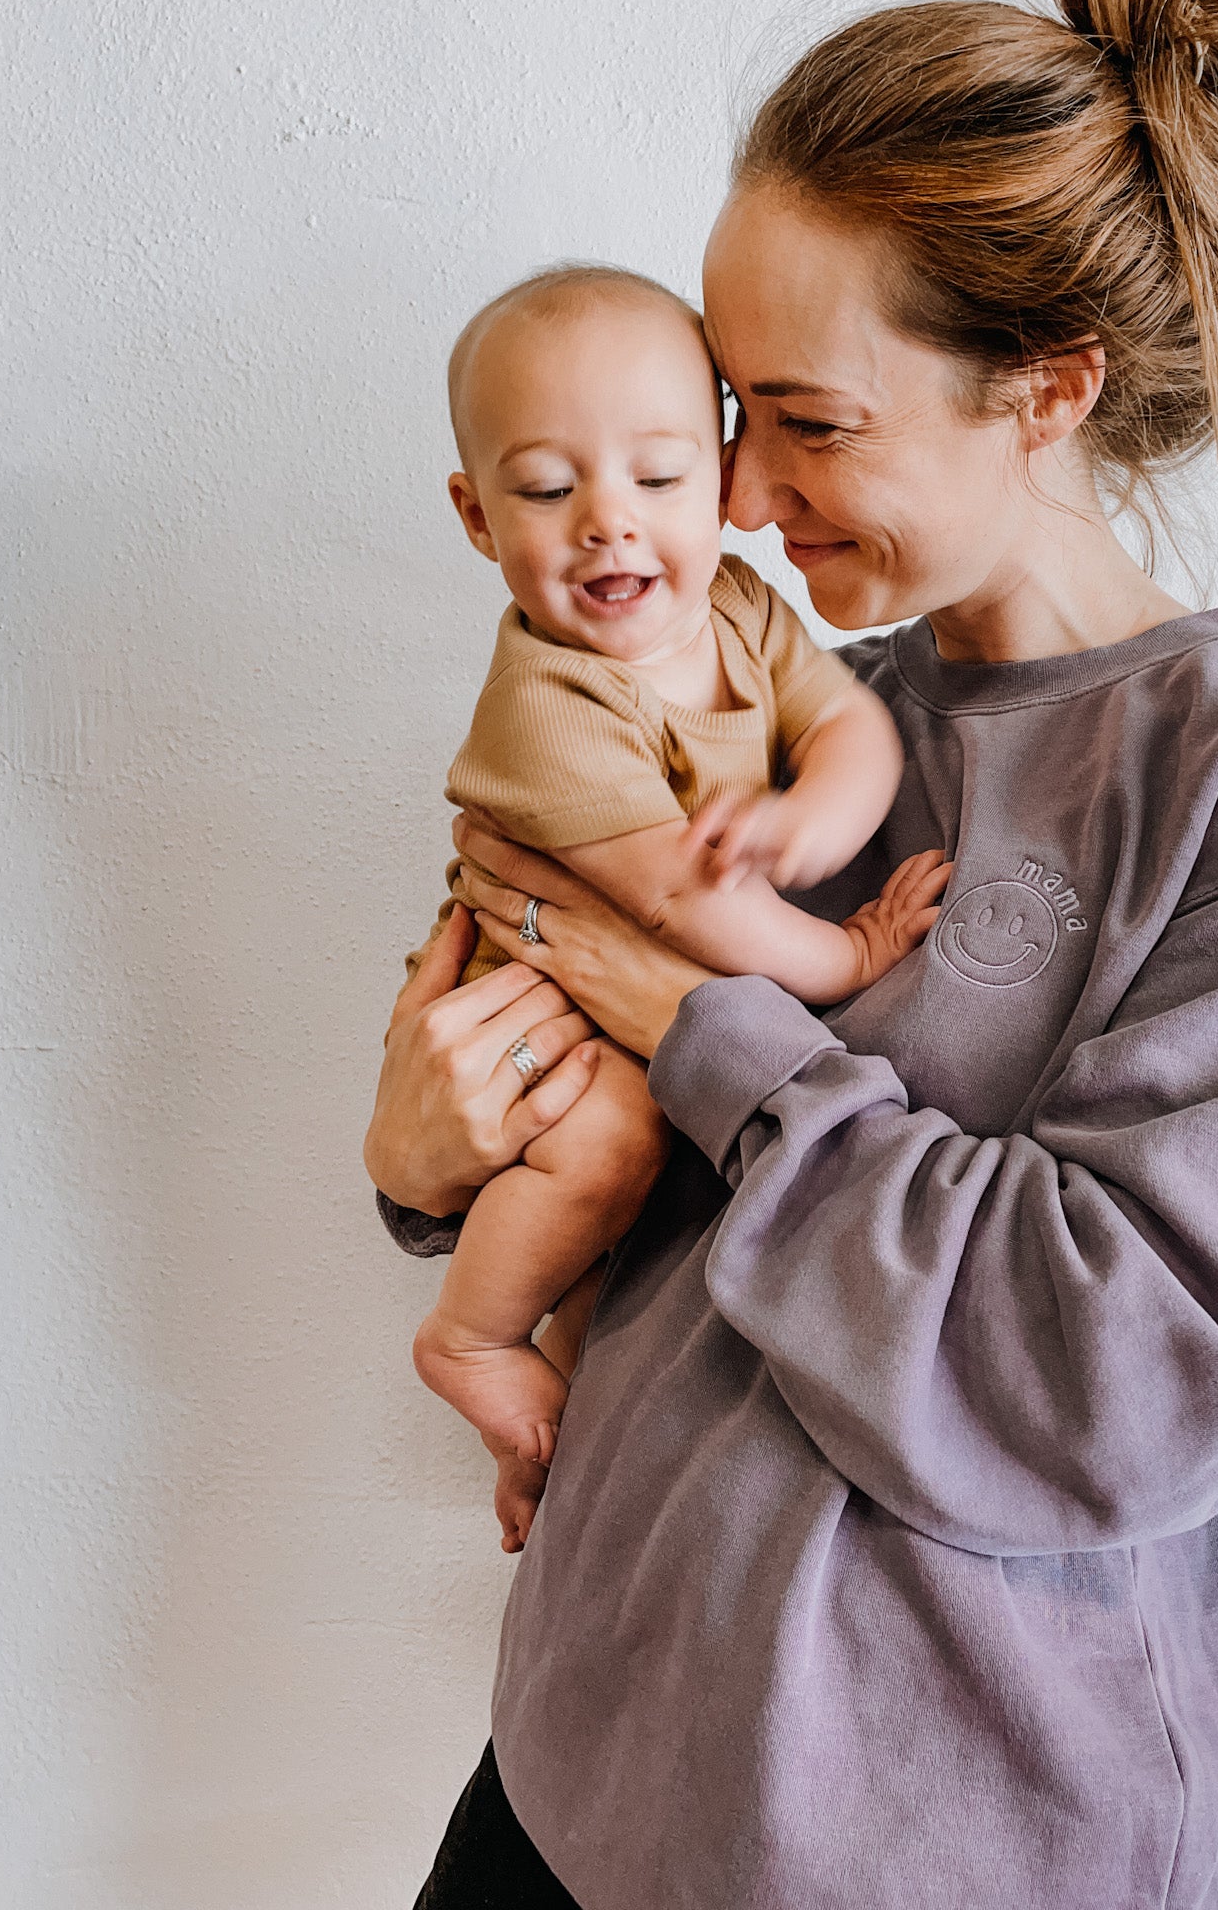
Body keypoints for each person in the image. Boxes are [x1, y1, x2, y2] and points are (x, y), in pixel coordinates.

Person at [364, 0, 1218, 1908]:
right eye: (729, 422)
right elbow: (589, 1140)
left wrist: (710, 1029)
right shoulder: (780, 724)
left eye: (809, 423)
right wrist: (429, 1152)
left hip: (925, 1850)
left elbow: (1108, 1365)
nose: (741, 510)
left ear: (1043, 385)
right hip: (568, 1779)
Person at [404, 266, 946, 1530]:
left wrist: (814, 811)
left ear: (715, 477)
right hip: (545, 1029)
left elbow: (850, 727)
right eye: (548, 489)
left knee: (628, 1282)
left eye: (657, 478)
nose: (610, 522)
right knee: (607, 1155)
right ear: (479, 516)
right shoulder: (547, 706)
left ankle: (559, 1449)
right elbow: (685, 907)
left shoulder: (743, 609)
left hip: (651, 1045)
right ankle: (472, 1340)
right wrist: (850, 951)